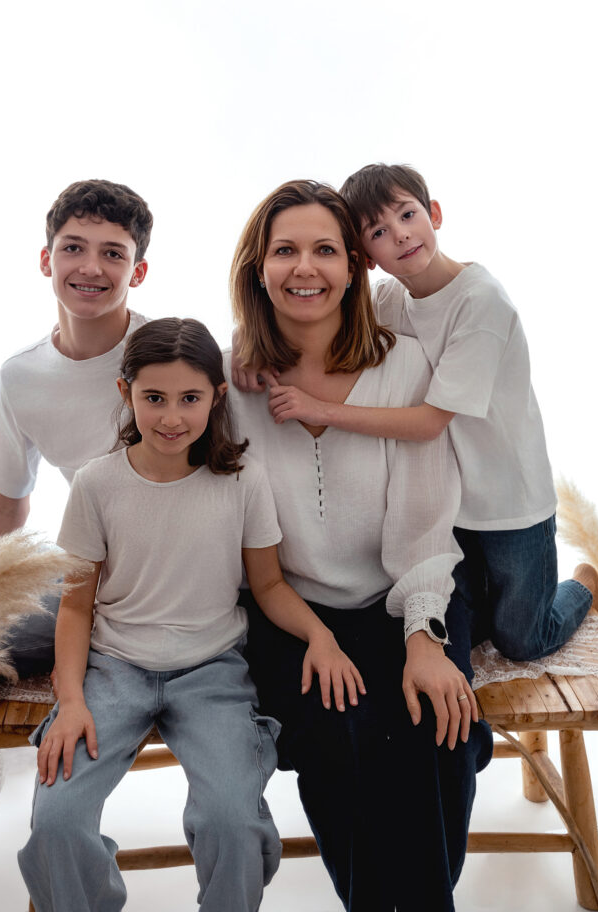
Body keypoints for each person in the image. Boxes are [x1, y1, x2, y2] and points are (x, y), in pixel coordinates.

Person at [18, 317, 364, 912]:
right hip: (115, 670)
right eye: (154, 398)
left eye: (189, 398)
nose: (171, 417)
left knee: (233, 819)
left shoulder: (243, 481)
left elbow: (271, 584)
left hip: (212, 672)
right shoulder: (98, 484)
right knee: (56, 822)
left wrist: (321, 636)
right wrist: (71, 701)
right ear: (125, 392)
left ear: (217, 397)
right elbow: (75, 606)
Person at [228, 180, 493, 912]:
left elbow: (423, 520)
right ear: (257, 267)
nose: (303, 268)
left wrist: (422, 638)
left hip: (404, 590)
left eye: (324, 250)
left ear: (353, 266)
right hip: (292, 612)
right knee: (338, 738)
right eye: (284, 250)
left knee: (432, 730)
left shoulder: (402, 366)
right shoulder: (228, 381)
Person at [237, 163, 598, 660]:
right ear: (365, 257)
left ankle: (584, 584)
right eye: (380, 232)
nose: (401, 235)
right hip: (450, 501)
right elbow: (309, 308)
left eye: (408, 215)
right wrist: (244, 342)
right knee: (469, 627)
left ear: (434, 213)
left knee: (522, 637)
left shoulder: (482, 304)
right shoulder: (391, 299)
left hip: (507, 500)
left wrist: (322, 408)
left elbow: (429, 421)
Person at [0, 179, 152, 875]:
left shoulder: (167, 354)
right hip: (78, 582)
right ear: (44, 259)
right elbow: (10, 505)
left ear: (137, 271)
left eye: (112, 253)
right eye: (73, 248)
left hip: (171, 580)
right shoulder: (21, 376)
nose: (90, 267)